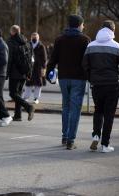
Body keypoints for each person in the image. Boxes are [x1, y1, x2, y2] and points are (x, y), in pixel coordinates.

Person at [82, 20, 119, 153]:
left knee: (98, 111)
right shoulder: (117, 46)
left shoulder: (91, 46)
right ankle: (105, 145)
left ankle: (96, 135)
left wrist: (91, 78)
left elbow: (85, 66)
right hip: (111, 85)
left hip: (96, 85)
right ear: (112, 30)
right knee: (109, 115)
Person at [47, 15, 91, 150]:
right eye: (82, 24)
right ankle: (71, 140)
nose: (83, 27)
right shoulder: (85, 40)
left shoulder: (60, 39)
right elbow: (88, 60)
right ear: (79, 25)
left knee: (66, 107)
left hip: (64, 77)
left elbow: (53, 58)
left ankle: (64, 137)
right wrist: (90, 75)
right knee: (75, 109)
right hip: (79, 78)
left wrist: (49, 73)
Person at [7, 25, 34, 122]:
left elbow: (9, 59)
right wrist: (29, 72)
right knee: (18, 93)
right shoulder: (26, 41)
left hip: (15, 72)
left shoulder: (11, 42)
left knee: (13, 93)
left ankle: (28, 107)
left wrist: (6, 72)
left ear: (12, 32)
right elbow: (30, 58)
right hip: (24, 72)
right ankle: (18, 115)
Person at [23, 32, 47, 104]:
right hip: (29, 67)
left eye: (35, 37)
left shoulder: (41, 46)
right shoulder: (28, 45)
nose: (34, 38)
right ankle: (26, 97)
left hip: (38, 68)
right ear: (31, 37)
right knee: (28, 83)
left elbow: (44, 58)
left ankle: (36, 98)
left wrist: (44, 68)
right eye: (33, 37)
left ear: (38, 38)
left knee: (38, 84)